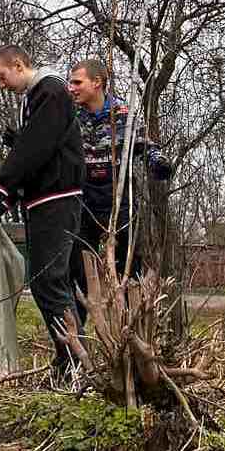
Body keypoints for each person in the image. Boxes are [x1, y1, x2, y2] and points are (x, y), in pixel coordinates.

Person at [0, 45, 85, 383]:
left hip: (57, 200)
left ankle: (75, 360)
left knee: (49, 280)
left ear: (19, 64)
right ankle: (69, 355)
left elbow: (37, 148)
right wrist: (12, 195)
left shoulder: (51, 91)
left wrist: (3, 187)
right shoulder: (36, 97)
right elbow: (37, 149)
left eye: (1, 75)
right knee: (48, 281)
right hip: (45, 198)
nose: (1, 84)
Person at [67, 58, 172, 327]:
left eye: (77, 82)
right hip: (84, 199)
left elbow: (146, 146)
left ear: (97, 82)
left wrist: (158, 163)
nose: (71, 88)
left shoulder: (124, 114)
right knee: (78, 270)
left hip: (119, 199)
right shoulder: (70, 117)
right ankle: (77, 338)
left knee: (129, 269)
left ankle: (129, 331)